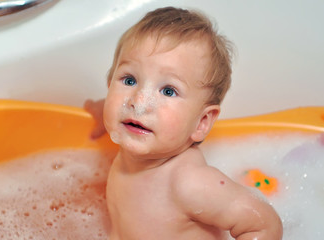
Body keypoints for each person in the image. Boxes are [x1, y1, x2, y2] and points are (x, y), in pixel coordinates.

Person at [85, 6, 283, 240]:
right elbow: (115, 104)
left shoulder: (188, 183)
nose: (138, 102)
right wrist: (99, 110)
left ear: (202, 122)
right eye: (129, 80)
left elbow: (264, 226)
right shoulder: (138, 132)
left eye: (168, 91)